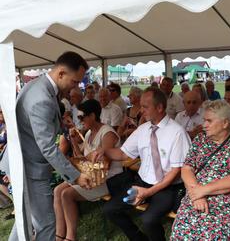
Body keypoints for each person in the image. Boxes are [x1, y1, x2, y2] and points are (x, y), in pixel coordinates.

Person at [8, 51, 91, 241]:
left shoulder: (37, 85)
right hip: (29, 167)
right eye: (75, 82)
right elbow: (47, 148)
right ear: (61, 73)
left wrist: (61, 125)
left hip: (23, 160)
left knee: (26, 218)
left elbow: (37, 123)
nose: (76, 87)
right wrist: (76, 177)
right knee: (46, 224)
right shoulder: (42, 98)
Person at [97, 87, 191, 241]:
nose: (141, 110)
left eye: (145, 107)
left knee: (148, 219)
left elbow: (176, 171)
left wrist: (148, 193)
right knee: (111, 209)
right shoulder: (143, 129)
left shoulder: (177, 132)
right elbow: (122, 153)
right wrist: (104, 151)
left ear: (159, 107)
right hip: (142, 184)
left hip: (166, 187)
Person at [171, 100, 230, 240]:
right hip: (195, 193)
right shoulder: (200, 139)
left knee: (211, 234)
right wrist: (197, 192)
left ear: (225, 123)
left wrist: (203, 191)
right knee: (180, 232)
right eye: (204, 120)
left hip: (228, 200)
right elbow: (187, 168)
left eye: (209, 121)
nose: (204, 125)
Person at [54, 99, 122, 241]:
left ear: (92, 116)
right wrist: (73, 139)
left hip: (108, 179)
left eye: (81, 117)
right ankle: (59, 234)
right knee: (57, 190)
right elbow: (81, 159)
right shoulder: (88, 134)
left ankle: (70, 237)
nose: (79, 120)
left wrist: (87, 159)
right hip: (92, 176)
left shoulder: (108, 133)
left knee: (66, 194)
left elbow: (104, 163)